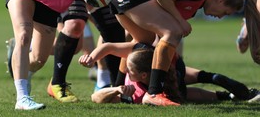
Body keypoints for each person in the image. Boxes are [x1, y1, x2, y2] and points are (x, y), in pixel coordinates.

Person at [108, 0, 244, 106]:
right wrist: (180, 21)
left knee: (142, 41)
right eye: (225, 12)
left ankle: (117, 87)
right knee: (173, 32)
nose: (221, 17)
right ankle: (154, 93)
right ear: (221, 0)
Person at [79, 42, 259, 104]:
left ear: (142, 75)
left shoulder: (138, 90)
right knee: (187, 88)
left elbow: (96, 97)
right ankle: (225, 93)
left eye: (130, 71)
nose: (127, 72)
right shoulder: (132, 89)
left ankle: (226, 92)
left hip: (172, 69)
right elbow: (96, 97)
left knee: (184, 88)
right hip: (171, 65)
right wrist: (116, 89)